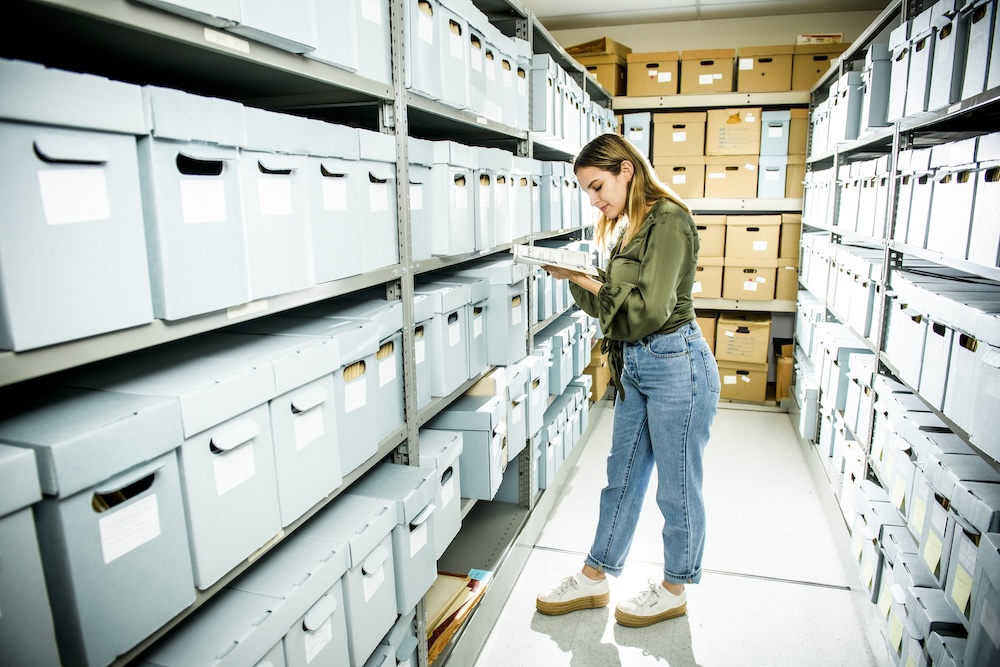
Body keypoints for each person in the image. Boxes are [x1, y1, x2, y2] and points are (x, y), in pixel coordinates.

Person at [536, 132, 720, 628]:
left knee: (677, 486)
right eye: (587, 192)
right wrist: (576, 276)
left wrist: (587, 279)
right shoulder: (622, 225)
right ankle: (595, 577)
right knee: (622, 477)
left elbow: (646, 311)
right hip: (635, 366)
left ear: (627, 170)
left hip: (676, 364)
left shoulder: (669, 220)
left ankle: (675, 587)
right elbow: (609, 312)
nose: (594, 200)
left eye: (598, 187)